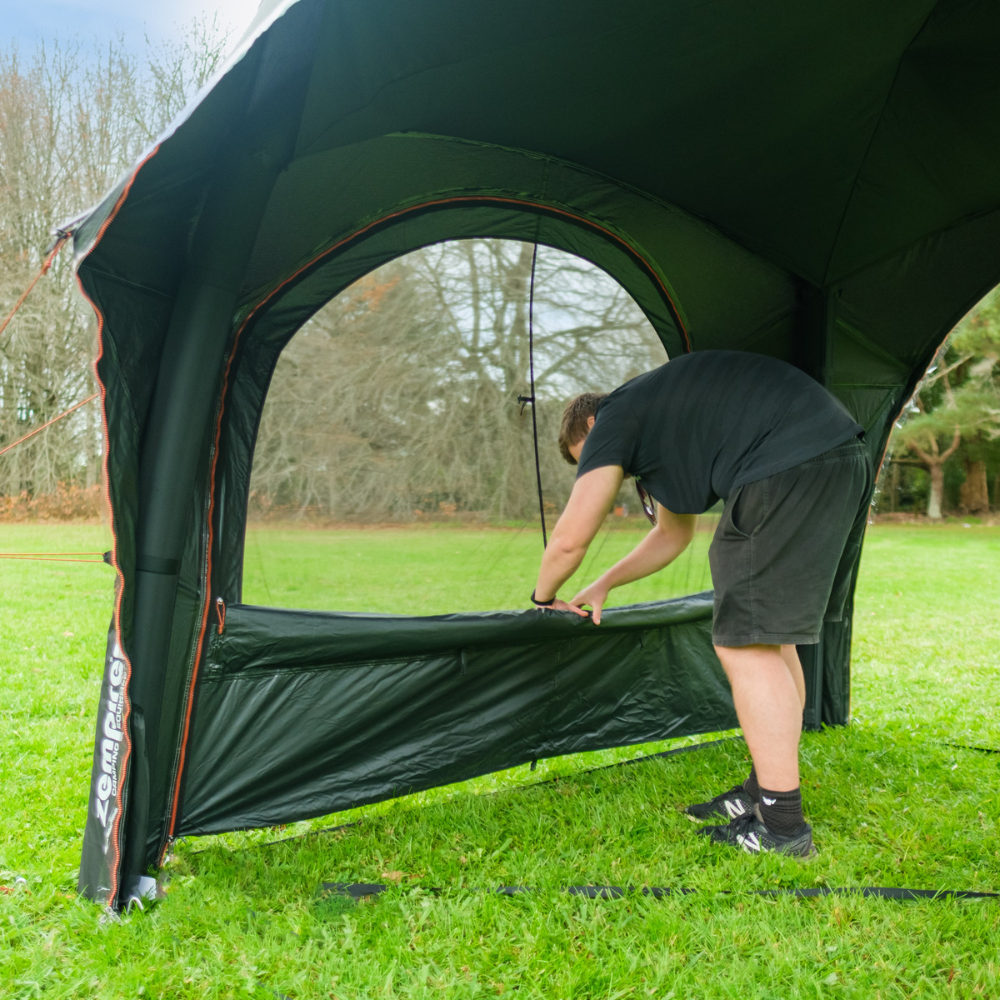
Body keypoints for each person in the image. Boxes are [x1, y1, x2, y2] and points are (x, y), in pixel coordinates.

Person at [530, 350, 874, 857]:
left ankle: (782, 827)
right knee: (772, 639)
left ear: (591, 425)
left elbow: (568, 540)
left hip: (785, 467)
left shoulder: (615, 414)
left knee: (745, 644)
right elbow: (672, 535)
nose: (612, 469)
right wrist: (604, 583)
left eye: (596, 458)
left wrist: (542, 598)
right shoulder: (663, 416)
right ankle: (762, 791)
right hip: (840, 456)